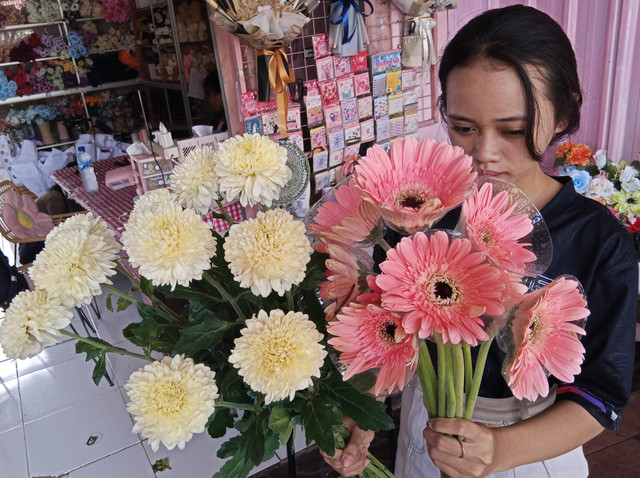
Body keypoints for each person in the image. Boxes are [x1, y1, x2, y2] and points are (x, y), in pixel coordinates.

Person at [321, 5, 637, 477]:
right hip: (423, 430)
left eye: (512, 130)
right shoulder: (423, 214)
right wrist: (362, 422)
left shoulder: (598, 241)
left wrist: (499, 451)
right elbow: (393, 334)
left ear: (565, 111)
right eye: (463, 128)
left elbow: (600, 395)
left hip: (530, 448)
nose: (484, 154)